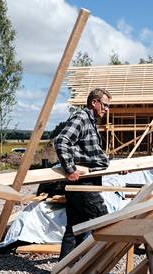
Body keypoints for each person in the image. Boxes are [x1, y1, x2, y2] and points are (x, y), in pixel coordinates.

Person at [54, 88, 111, 259]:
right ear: (94, 102)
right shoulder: (81, 118)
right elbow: (61, 141)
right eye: (105, 105)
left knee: (75, 229)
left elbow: (91, 156)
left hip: (87, 181)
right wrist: (70, 169)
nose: (107, 109)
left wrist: (113, 166)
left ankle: (63, 273)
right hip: (82, 183)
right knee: (103, 222)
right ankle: (97, 269)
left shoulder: (91, 121)